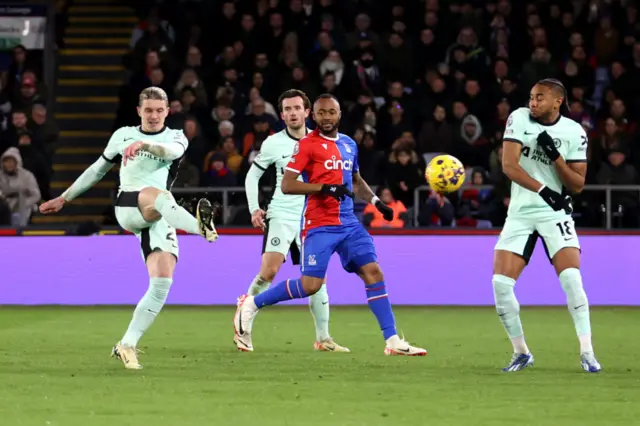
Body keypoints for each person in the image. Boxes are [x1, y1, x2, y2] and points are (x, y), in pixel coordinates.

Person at [39, 87, 219, 370]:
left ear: (167, 112)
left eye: (159, 110)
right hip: (128, 206)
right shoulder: (122, 135)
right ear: (139, 111)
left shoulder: (175, 136)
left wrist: (145, 146)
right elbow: (97, 170)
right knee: (159, 196)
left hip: (158, 215)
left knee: (162, 282)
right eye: (148, 110)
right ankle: (200, 227)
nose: (154, 116)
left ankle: (126, 344)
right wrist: (65, 197)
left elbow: (170, 152)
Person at [233, 94, 427, 356]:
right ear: (314, 116)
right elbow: (287, 184)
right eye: (322, 113)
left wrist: (376, 201)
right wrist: (323, 187)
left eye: (331, 113)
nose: (326, 118)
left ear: (339, 115)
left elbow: (355, 180)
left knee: (373, 272)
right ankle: (253, 303)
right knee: (311, 284)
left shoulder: (348, 144)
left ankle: (392, 341)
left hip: (349, 223)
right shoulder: (306, 146)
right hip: (319, 224)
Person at [495, 78, 600, 373]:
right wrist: (544, 190)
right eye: (531, 96)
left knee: (572, 281)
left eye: (540, 98)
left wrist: (555, 157)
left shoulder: (574, 132)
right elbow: (509, 166)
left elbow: (577, 184)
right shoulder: (519, 118)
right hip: (520, 212)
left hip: (556, 214)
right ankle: (521, 353)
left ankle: (587, 353)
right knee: (500, 285)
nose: (533, 102)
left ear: (557, 101)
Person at [243, 89, 349, 352]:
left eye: (297, 108)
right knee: (269, 271)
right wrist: (255, 208)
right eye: (287, 109)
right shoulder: (272, 144)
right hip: (282, 213)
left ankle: (323, 339)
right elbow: (251, 176)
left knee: (318, 279)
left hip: (313, 217)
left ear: (307, 112)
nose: (292, 113)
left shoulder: (324, 141)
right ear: (282, 115)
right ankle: (243, 320)